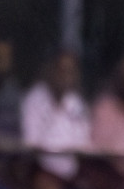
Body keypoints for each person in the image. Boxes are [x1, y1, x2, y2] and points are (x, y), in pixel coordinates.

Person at [21, 50, 91, 181]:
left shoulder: (76, 102)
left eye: (69, 71)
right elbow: (32, 144)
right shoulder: (34, 99)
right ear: (51, 70)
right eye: (61, 70)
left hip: (72, 176)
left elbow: (82, 145)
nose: (64, 76)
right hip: (41, 173)